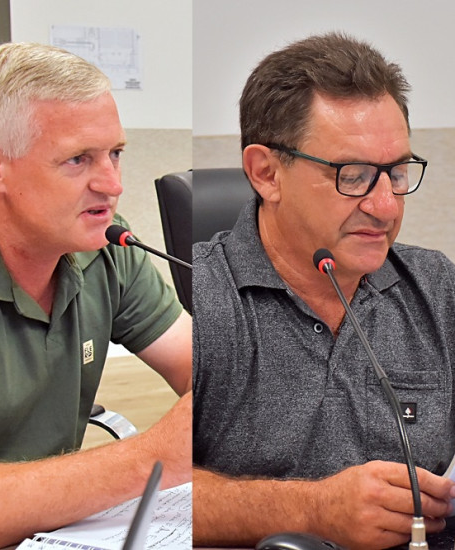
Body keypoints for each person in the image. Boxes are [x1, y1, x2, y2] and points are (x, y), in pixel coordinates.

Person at [0, 42, 191, 549]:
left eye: (116, 154)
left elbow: (214, 377)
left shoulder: (104, 242)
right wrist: (148, 459)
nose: (112, 185)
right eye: (78, 159)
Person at [192, 32, 455, 548]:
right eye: (352, 176)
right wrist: (310, 510)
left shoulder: (437, 286)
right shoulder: (201, 298)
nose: (386, 207)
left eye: (397, 172)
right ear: (266, 174)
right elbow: (148, 491)